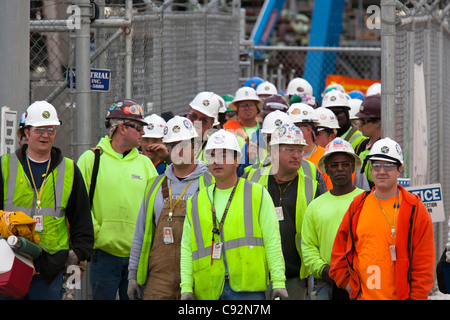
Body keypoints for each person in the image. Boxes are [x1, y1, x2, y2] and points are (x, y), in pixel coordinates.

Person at [0, 101, 94, 300]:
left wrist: (78, 255)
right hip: (9, 263)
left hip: (50, 269)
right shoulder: (5, 166)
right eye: (39, 129)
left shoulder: (69, 170)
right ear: (26, 132)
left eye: (51, 129)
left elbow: (82, 219)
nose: (45, 135)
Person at [180, 129, 287, 300]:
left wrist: (279, 282)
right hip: (208, 289)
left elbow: (272, 240)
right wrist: (186, 287)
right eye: (212, 156)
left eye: (223, 155)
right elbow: (186, 248)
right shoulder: (196, 200)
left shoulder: (257, 194)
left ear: (237, 160)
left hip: (248, 290)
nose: (216, 161)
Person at [330, 138, 436, 300]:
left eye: (388, 166)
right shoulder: (358, 205)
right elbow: (339, 252)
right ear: (370, 169)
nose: (381, 171)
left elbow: (424, 263)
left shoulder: (414, 208)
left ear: (399, 169)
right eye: (376, 166)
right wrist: (348, 284)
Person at [77, 99, 157, 300]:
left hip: (137, 257)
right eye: (138, 127)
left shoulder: (146, 164)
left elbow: (156, 207)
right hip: (103, 255)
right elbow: (79, 204)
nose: (143, 133)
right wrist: (98, 233)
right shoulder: (91, 159)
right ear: (121, 128)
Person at [128, 116, 213, 300]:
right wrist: (132, 276)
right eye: (173, 145)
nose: (178, 150)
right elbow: (140, 234)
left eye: (183, 144)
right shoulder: (154, 186)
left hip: (199, 276)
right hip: (158, 279)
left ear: (195, 146)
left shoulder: (210, 182)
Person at [244, 124, 326, 299]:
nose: (297, 156)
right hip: (256, 274)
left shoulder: (312, 182)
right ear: (273, 152)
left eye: (299, 150)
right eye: (290, 150)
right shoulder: (252, 178)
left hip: (295, 275)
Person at [301, 138, 365, 300]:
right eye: (334, 165)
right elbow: (308, 247)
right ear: (327, 170)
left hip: (362, 281)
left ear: (353, 167)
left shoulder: (366, 201)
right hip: (326, 284)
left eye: (345, 164)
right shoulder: (315, 206)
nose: (340, 169)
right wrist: (326, 270)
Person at [354, 95, 382, 187]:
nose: (359, 125)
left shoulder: (386, 149)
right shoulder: (361, 145)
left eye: (364, 121)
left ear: (378, 122)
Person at [185, 91, 221, 162]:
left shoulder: (214, 148)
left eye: (204, 120)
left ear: (211, 124)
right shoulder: (171, 139)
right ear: (187, 115)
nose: (197, 122)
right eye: (193, 116)